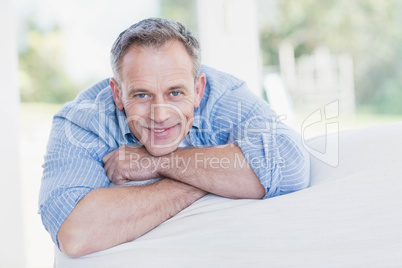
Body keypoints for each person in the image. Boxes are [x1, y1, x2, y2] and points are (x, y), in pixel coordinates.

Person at [38, 17, 310, 257]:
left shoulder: (224, 96)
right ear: (118, 94)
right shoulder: (80, 121)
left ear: (198, 89)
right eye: (142, 95)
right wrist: (213, 178)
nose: (160, 115)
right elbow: (75, 234)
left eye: (175, 93)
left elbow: (289, 165)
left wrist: (156, 163)